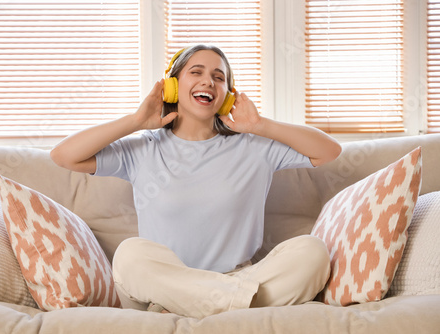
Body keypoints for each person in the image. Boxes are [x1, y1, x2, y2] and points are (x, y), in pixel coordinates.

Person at [50, 44, 342, 319]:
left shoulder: (254, 146)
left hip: (235, 278)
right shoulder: (143, 148)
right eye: (196, 72)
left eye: (219, 77)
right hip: (164, 285)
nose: (208, 82)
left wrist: (260, 125)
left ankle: (202, 308)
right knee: (129, 256)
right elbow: (64, 156)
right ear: (173, 86)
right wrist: (135, 121)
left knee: (312, 252)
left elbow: (329, 151)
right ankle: (237, 307)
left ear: (228, 95)